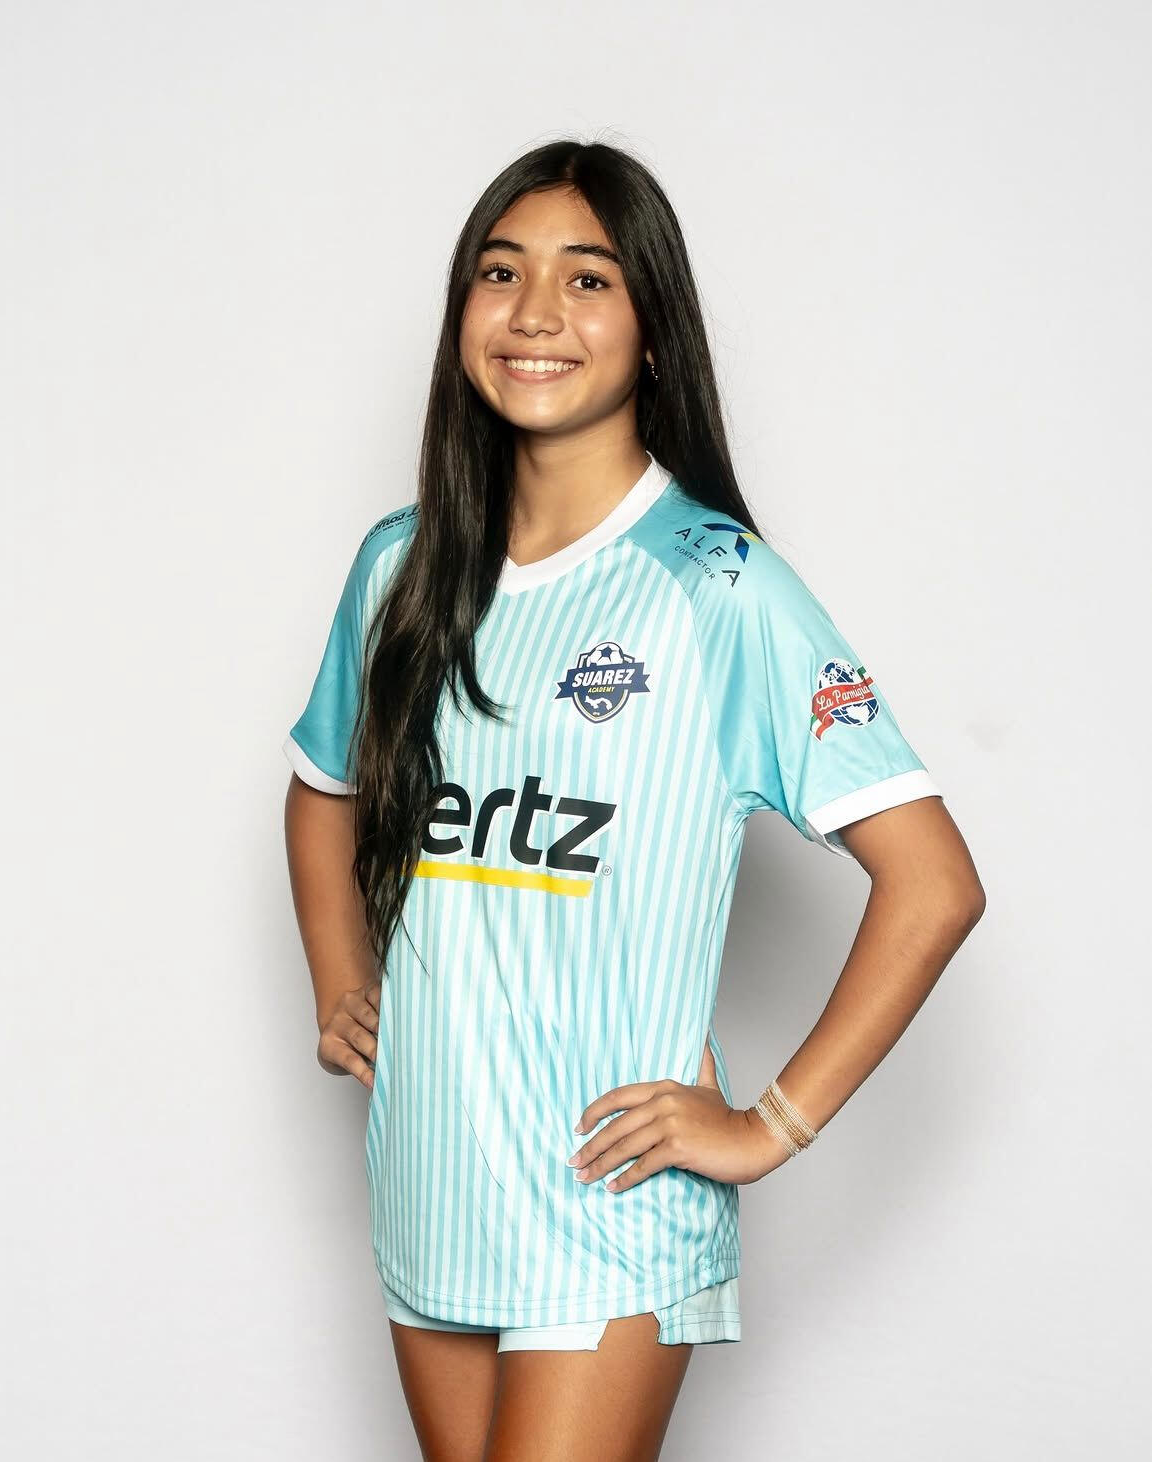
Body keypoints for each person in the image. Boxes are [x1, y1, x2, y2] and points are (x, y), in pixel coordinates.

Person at [282, 138, 985, 1462]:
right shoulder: (399, 566)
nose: (535, 312)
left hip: (610, 1200)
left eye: (588, 278)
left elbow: (934, 882)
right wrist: (338, 982)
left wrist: (771, 1124)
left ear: (653, 329)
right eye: (502, 272)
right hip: (431, 1171)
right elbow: (322, 793)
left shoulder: (718, 586)